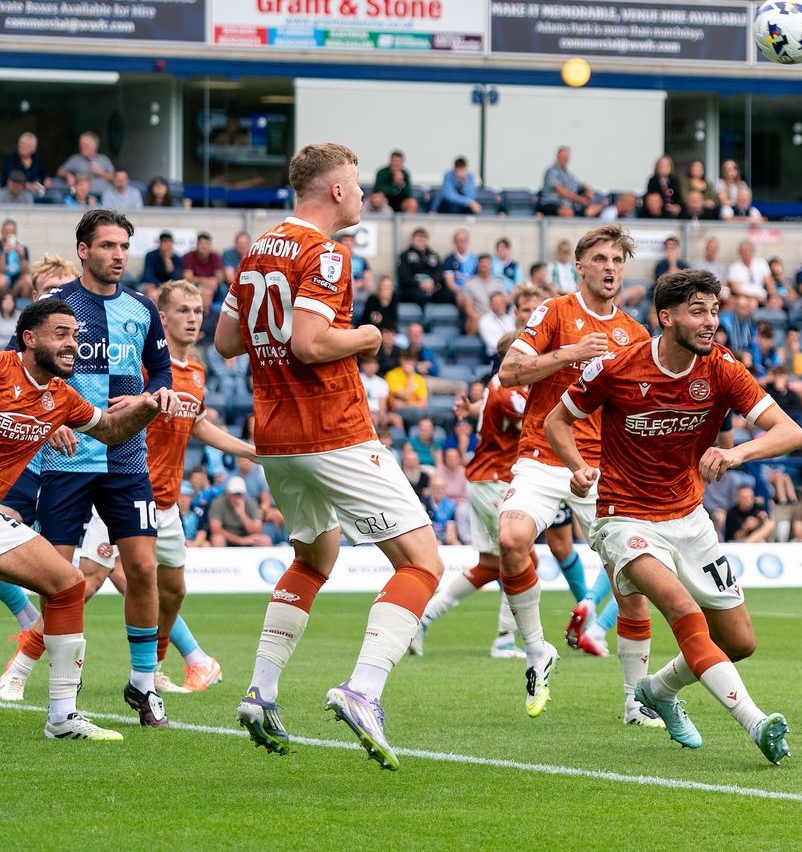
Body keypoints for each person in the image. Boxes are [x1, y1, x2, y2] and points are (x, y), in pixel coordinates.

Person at [217, 143, 445, 771]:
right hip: (331, 429)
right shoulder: (325, 254)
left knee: (314, 558)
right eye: (358, 185)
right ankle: (363, 690)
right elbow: (311, 343)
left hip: (276, 436)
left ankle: (261, 693)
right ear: (337, 190)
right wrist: (367, 336)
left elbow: (227, 340)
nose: (364, 195)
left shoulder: (258, 249)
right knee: (423, 562)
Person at [543, 268, 802, 764]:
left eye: (715, 311)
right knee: (683, 610)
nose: (710, 321)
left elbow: (791, 432)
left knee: (739, 641)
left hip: (688, 518)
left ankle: (658, 689)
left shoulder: (722, 368)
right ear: (666, 317)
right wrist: (578, 467)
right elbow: (558, 421)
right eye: (697, 311)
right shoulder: (617, 367)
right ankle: (755, 722)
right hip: (624, 518)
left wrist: (735, 454)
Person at [59, 281, 255, 695]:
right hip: (125, 488)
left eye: (198, 311)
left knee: (172, 590)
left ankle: (159, 668)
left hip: (165, 502)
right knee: (90, 580)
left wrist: (250, 451)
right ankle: (20, 669)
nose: (193, 319)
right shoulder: (144, 368)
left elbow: (197, 425)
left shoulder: (196, 372)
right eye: (183, 310)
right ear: (161, 318)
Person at [21, 210, 175, 727]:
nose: (119, 255)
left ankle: (144, 684)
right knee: (57, 578)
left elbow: (161, 372)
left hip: (126, 459)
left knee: (144, 569)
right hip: (66, 461)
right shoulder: (53, 307)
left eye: (124, 246)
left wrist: (155, 395)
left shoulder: (142, 308)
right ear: (83, 250)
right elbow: (19, 375)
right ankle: (64, 691)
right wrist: (45, 420)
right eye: (108, 245)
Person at [494, 225, 650, 720]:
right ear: (580, 267)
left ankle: (635, 701)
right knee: (511, 540)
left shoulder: (635, 334)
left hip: (603, 468)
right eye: (600, 259)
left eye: (617, 260)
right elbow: (509, 372)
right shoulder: (555, 311)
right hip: (543, 455)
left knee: (631, 582)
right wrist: (570, 353)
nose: (610, 268)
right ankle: (536, 650)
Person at [414, 334, 534, 661]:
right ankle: (505, 639)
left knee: (491, 565)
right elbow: (536, 419)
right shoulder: (510, 391)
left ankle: (424, 617)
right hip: (494, 481)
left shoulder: (499, 385)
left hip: (485, 480)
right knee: (524, 558)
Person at [537, 146, 603, 219]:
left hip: (569, 205)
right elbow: (560, 190)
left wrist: (588, 190)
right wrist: (580, 199)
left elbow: (579, 184)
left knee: (594, 209)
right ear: (557, 157)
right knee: (567, 212)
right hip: (551, 204)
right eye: (562, 157)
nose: (564, 160)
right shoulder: (551, 171)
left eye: (566, 158)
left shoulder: (568, 174)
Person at [56, 131, 114, 197]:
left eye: (86, 145)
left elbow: (115, 178)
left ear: (94, 147)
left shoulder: (104, 159)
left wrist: (101, 173)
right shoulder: (75, 159)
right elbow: (59, 172)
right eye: (81, 144)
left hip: (104, 197)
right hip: (82, 198)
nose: (82, 147)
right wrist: (67, 175)